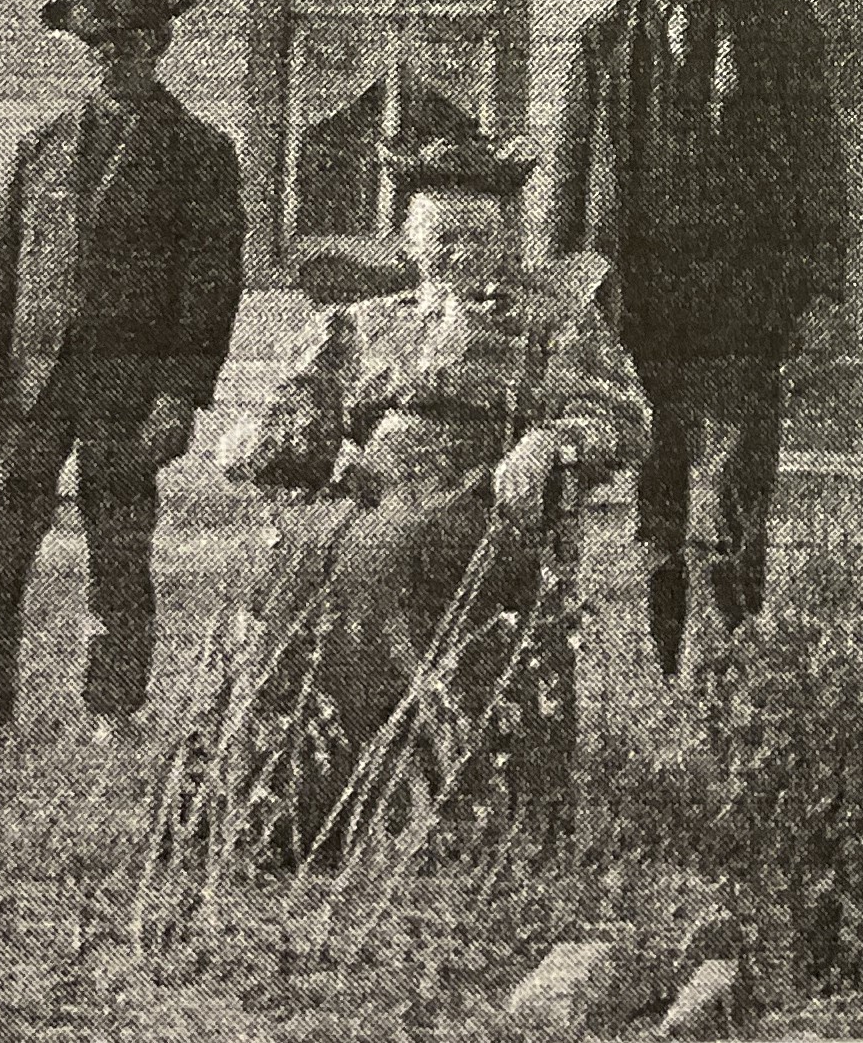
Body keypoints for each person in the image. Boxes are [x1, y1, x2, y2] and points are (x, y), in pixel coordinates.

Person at [197, 133, 648, 866]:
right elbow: (299, 411)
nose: (461, 253)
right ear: (409, 241)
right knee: (293, 564)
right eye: (442, 237)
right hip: (370, 484)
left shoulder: (551, 321)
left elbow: (622, 418)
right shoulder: (365, 320)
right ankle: (289, 806)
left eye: (479, 237)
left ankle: (423, 807)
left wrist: (545, 444)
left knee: (389, 554)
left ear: (506, 241)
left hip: (482, 491)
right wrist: (272, 441)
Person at [0, 0, 248, 779]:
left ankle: (113, 709)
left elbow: (209, 287)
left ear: (160, 43)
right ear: (82, 46)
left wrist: (179, 395)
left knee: (120, 551)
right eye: (98, 42)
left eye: (131, 40)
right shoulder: (41, 146)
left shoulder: (200, 152)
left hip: (129, 390)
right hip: (31, 386)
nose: (113, 56)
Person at [546, 0, 848, 681]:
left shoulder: (779, 31)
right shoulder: (604, 40)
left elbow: (821, 169)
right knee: (659, 491)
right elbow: (569, 179)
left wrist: (821, 290)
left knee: (733, 491)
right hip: (641, 305)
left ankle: (732, 666)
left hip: (743, 304)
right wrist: (566, 291)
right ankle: (666, 664)